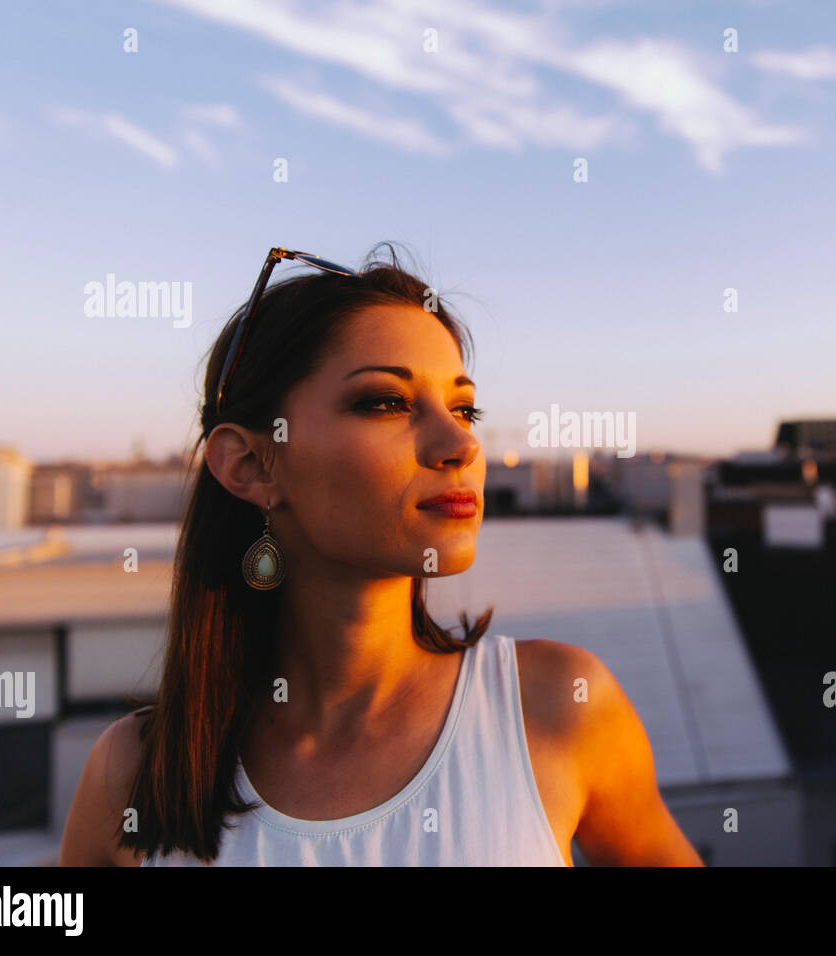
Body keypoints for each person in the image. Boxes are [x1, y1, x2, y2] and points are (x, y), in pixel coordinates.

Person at [58, 241, 703, 866]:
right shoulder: (133, 774)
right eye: (387, 402)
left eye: (464, 408)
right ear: (251, 463)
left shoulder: (558, 707)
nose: (461, 444)